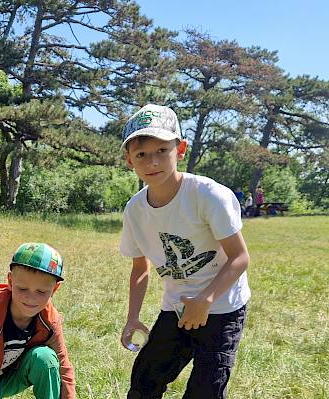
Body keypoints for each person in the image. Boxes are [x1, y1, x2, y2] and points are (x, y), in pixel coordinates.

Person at [117, 104, 251, 398]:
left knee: (205, 390)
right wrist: (132, 317)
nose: (152, 161)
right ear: (129, 160)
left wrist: (205, 300)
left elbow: (240, 257)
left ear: (180, 150)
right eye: (141, 154)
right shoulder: (135, 210)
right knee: (145, 382)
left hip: (223, 306)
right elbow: (140, 268)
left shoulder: (207, 195)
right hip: (177, 307)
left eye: (162, 150)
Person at [0, 242, 76, 399]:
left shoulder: (49, 320)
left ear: (54, 289)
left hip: (8, 379)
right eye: (22, 289)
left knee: (45, 358)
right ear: (10, 281)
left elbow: (64, 366)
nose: (31, 298)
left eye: (41, 291)